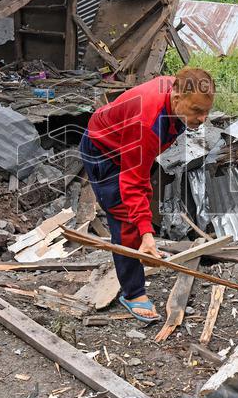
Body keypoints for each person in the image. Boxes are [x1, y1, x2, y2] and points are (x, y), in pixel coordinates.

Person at [80, 67, 215, 322]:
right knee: (125, 216)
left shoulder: (176, 94)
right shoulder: (148, 122)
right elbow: (132, 182)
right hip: (104, 151)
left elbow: (140, 173)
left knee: (140, 202)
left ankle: (144, 245)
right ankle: (133, 293)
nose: (203, 118)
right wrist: (144, 229)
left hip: (125, 142)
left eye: (206, 111)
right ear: (176, 98)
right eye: (197, 111)